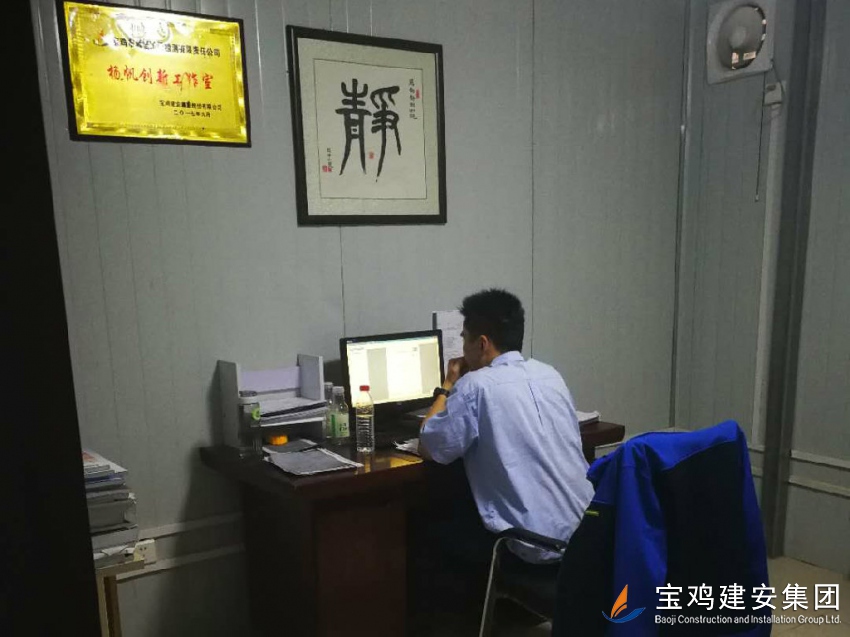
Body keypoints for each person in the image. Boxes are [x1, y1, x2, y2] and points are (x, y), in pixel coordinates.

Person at [418, 288, 593, 565]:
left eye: (464, 338)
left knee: (429, 529)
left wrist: (447, 385)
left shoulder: (475, 386)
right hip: (590, 536)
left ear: (482, 344)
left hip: (536, 546)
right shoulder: (549, 375)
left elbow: (428, 445)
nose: (462, 348)